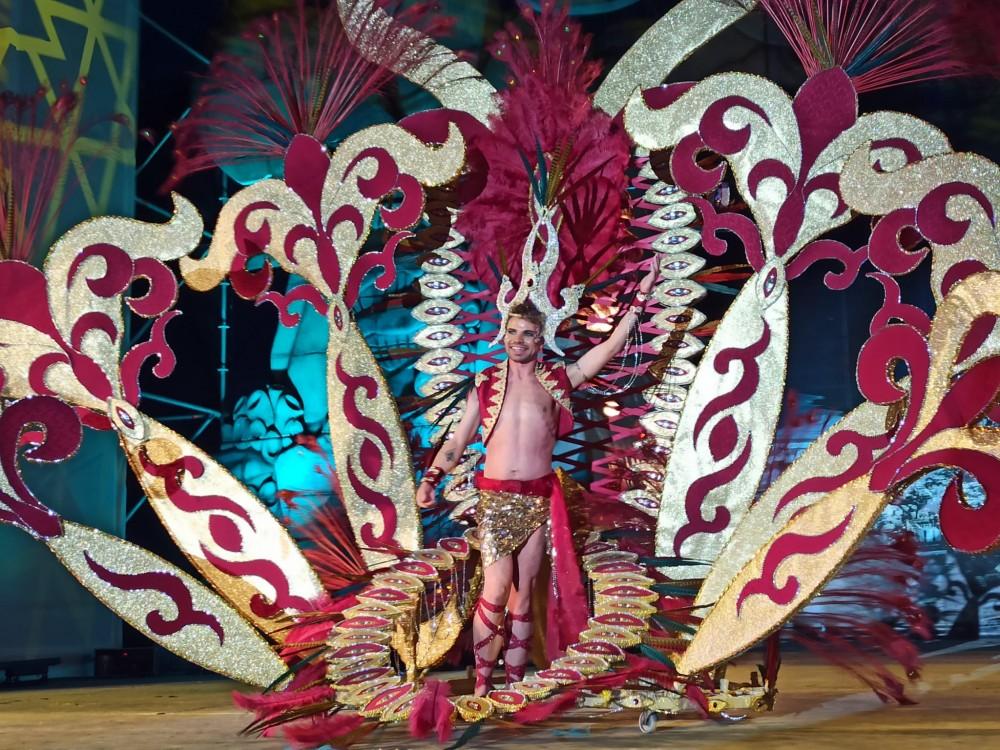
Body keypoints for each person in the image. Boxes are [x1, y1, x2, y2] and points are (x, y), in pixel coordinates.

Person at [416, 267, 656, 696]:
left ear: (541, 340)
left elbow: (608, 348)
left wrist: (640, 299)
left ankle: (513, 685)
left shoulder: (558, 380)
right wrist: (433, 476)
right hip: (495, 501)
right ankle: (482, 685)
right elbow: (458, 441)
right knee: (495, 589)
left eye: (527, 334)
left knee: (523, 595)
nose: (518, 340)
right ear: (503, 334)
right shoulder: (485, 384)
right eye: (512, 332)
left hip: (539, 498)